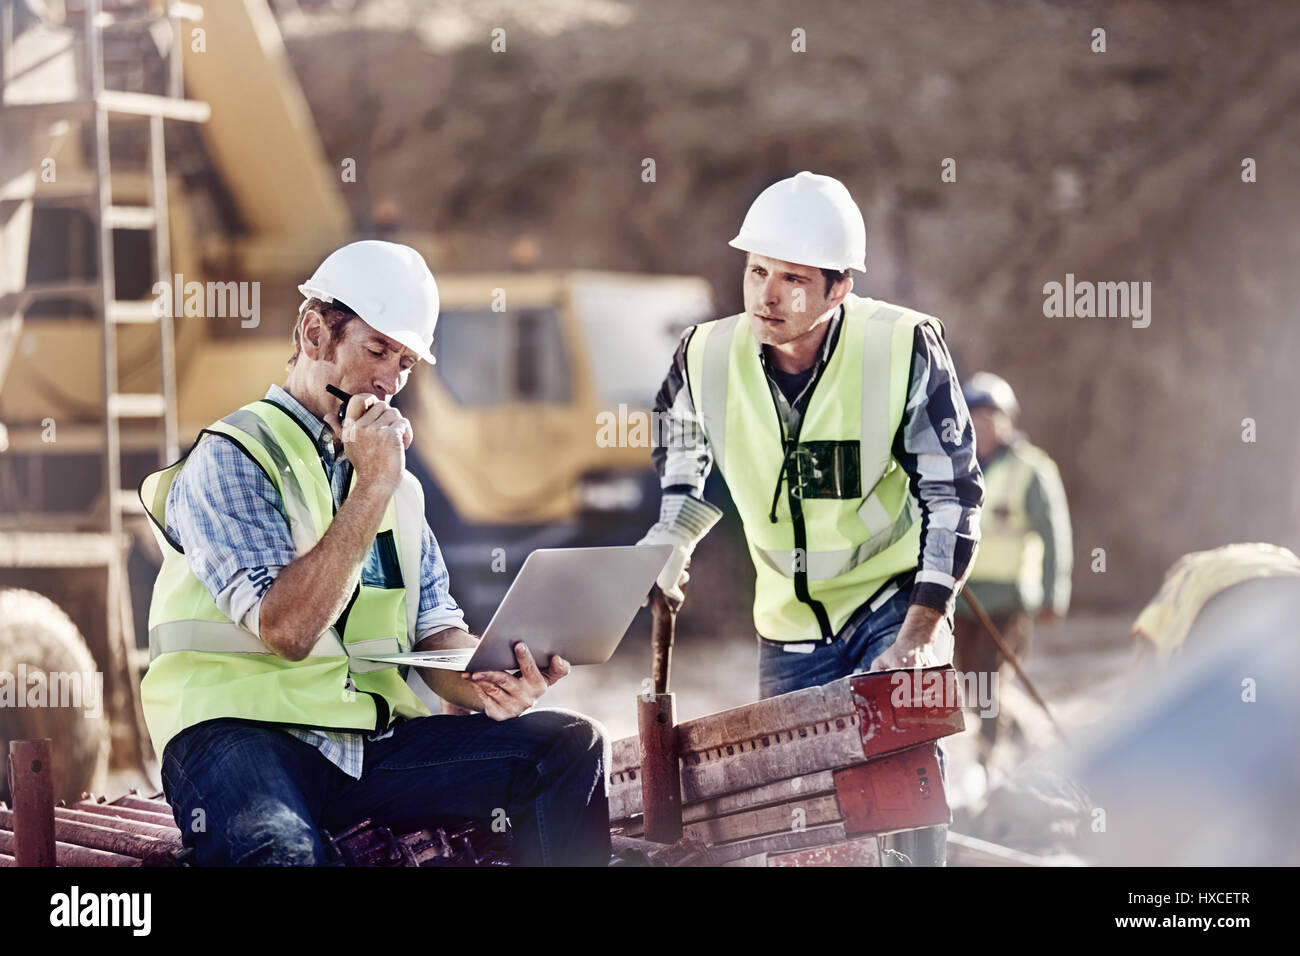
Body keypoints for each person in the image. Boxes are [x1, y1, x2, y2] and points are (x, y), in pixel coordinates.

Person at [138, 241, 610, 866]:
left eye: (407, 362)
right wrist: (373, 485)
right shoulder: (232, 457)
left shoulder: (398, 488)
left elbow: (434, 632)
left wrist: (491, 678)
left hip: (370, 745)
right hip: (238, 735)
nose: (391, 381)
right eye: (378, 349)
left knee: (568, 748)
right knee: (278, 851)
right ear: (314, 333)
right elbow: (286, 627)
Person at [639, 172, 984, 866]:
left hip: (892, 601)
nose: (767, 294)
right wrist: (672, 541)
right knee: (798, 817)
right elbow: (685, 469)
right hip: (790, 626)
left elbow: (952, 493)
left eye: (793, 278)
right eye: (757, 269)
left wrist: (923, 631)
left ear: (839, 288)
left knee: (907, 787)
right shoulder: (702, 357)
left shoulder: (902, 347)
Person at [953, 372, 1071, 759]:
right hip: (962, 597)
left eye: (991, 415)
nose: (983, 424)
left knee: (989, 681)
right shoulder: (955, 465)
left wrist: (1055, 593)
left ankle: (989, 759)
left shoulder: (1032, 469)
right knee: (969, 682)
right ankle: (1018, 737)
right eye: (975, 415)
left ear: (1009, 420)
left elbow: (1054, 534)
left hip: (1008, 599)